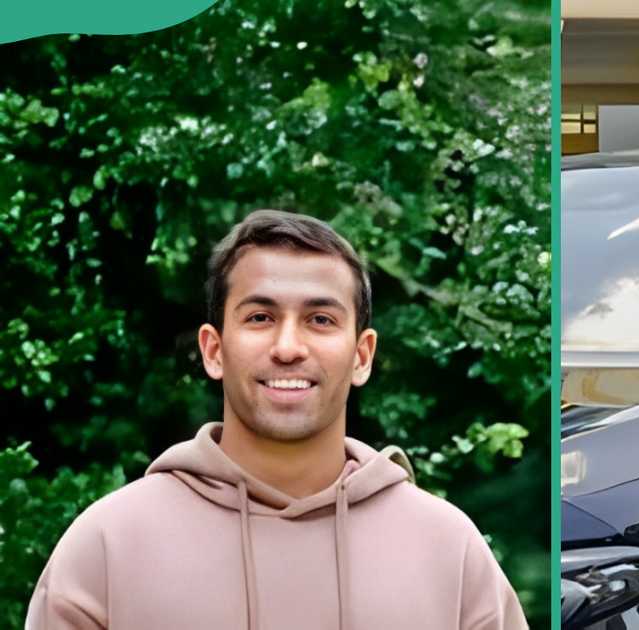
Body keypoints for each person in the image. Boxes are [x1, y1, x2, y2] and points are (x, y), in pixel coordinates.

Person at [26, 210, 528, 630]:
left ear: (362, 356)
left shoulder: (446, 549)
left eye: (320, 320)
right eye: (260, 317)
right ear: (214, 350)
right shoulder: (108, 546)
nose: (288, 347)